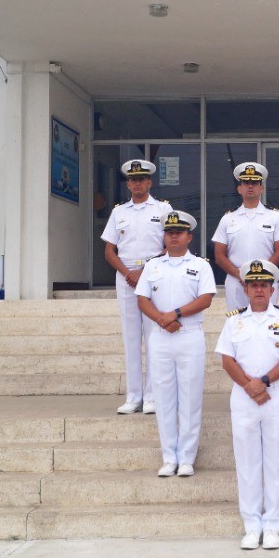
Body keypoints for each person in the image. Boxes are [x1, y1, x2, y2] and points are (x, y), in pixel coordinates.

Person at [215, 259, 279, 551]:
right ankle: (251, 526)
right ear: (245, 288)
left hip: (275, 394)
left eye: (264, 285)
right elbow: (227, 359)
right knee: (248, 462)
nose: (259, 290)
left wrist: (262, 382)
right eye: (254, 285)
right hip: (243, 397)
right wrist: (249, 386)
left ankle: (273, 526)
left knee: (276, 461)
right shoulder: (234, 320)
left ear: (272, 288)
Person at [135, 210, 216, 477]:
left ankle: (187, 458)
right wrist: (162, 319)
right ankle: (169, 457)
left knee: (190, 398)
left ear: (189, 236)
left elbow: (205, 298)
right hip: (160, 336)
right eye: (169, 232)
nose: (173, 236)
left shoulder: (201, 265)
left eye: (179, 232)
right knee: (164, 398)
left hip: (189, 334)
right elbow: (142, 299)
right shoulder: (152, 266)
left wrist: (176, 314)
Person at [101, 158, 172, 415]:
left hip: (153, 274)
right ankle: (134, 397)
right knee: (131, 337)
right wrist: (128, 272)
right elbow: (109, 250)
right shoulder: (119, 212)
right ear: (128, 184)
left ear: (150, 182)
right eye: (132, 179)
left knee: (154, 336)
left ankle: (152, 396)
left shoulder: (163, 209)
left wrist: (143, 271)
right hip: (126, 275)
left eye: (141, 179)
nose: (137, 183)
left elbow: (171, 245)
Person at [212, 162, 279, 311]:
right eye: (246, 183)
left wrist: (260, 274)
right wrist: (240, 275)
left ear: (261, 188)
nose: (250, 186)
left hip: (266, 279)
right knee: (237, 324)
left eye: (254, 183)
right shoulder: (228, 218)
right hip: (236, 280)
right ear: (239, 188)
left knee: (268, 322)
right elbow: (219, 255)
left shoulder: (274, 216)